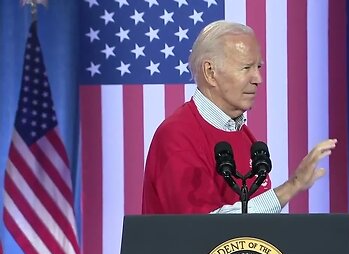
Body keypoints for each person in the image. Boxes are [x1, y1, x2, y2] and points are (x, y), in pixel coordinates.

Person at [142, 20, 337, 214]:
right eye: (246, 68)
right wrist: (292, 186)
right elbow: (203, 232)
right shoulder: (176, 135)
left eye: (258, 67)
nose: (258, 79)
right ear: (210, 72)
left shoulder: (244, 136)